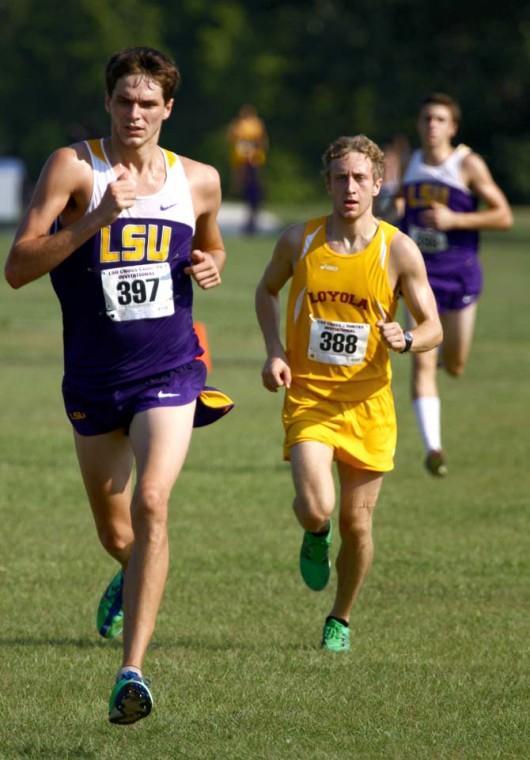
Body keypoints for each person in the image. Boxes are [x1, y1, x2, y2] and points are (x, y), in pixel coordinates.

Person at [4, 46, 233, 725]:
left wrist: (212, 263)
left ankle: (131, 671)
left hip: (170, 370)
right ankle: (128, 572)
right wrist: (96, 221)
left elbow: (212, 244)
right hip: (93, 380)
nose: (135, 113)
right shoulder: (74, 167)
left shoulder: (199, 180)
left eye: (148, 103)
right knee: (119, 531)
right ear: (108, 102)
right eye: (124, 101)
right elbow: (17, 266)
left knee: (154, 503)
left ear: (168, 108)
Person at [255, 135, 442, 652]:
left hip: (369, 404)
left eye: (361, 178)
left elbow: (433, 327)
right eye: (341, 178)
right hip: (311, 397)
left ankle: (340, 615)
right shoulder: (300, 241)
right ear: (328, 184)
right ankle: (314, 535)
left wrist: (406, 338)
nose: (350, 188)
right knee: (318, 507)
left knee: (357, 525)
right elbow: (266, 290)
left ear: (379, 184)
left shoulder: (397, 249)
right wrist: (275, 351)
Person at [399, 93, 513, 476]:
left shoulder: (466, 164)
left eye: (440, 119)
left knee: (456, 365)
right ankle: (434, 448)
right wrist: (392, 209)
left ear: (453, 127)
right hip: (419, 276)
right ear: (419, 124)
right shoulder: (410, 163)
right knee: (421, 363)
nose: (432, 125)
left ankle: (450, 357)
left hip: (460, 272)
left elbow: (503, 215)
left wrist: (454, 221)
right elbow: (397, 209)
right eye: (427, 118)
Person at [227, 104, 269, 234]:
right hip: (243, 163)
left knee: (253, 191)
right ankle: (250, 220)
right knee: (246, 190)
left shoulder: (253, 125)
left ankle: (252, 220)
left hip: (253, 162)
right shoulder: (239, 126)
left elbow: (261, 141)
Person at [374, 133, 410, 223]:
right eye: (384, 162)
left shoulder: (402, 186)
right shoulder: (374, 186)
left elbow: (401, 211)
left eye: (391, 161)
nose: (387, 165)